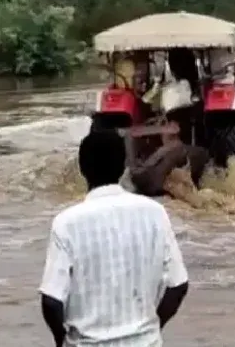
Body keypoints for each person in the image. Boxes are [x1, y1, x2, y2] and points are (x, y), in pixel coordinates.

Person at [39, 130, 189, 347]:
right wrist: (152, 328)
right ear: (123, 167)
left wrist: (61, 339)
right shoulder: (155, 213)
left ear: (82, 169)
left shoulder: (66, 223)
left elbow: (51, 302)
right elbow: (178, 286)